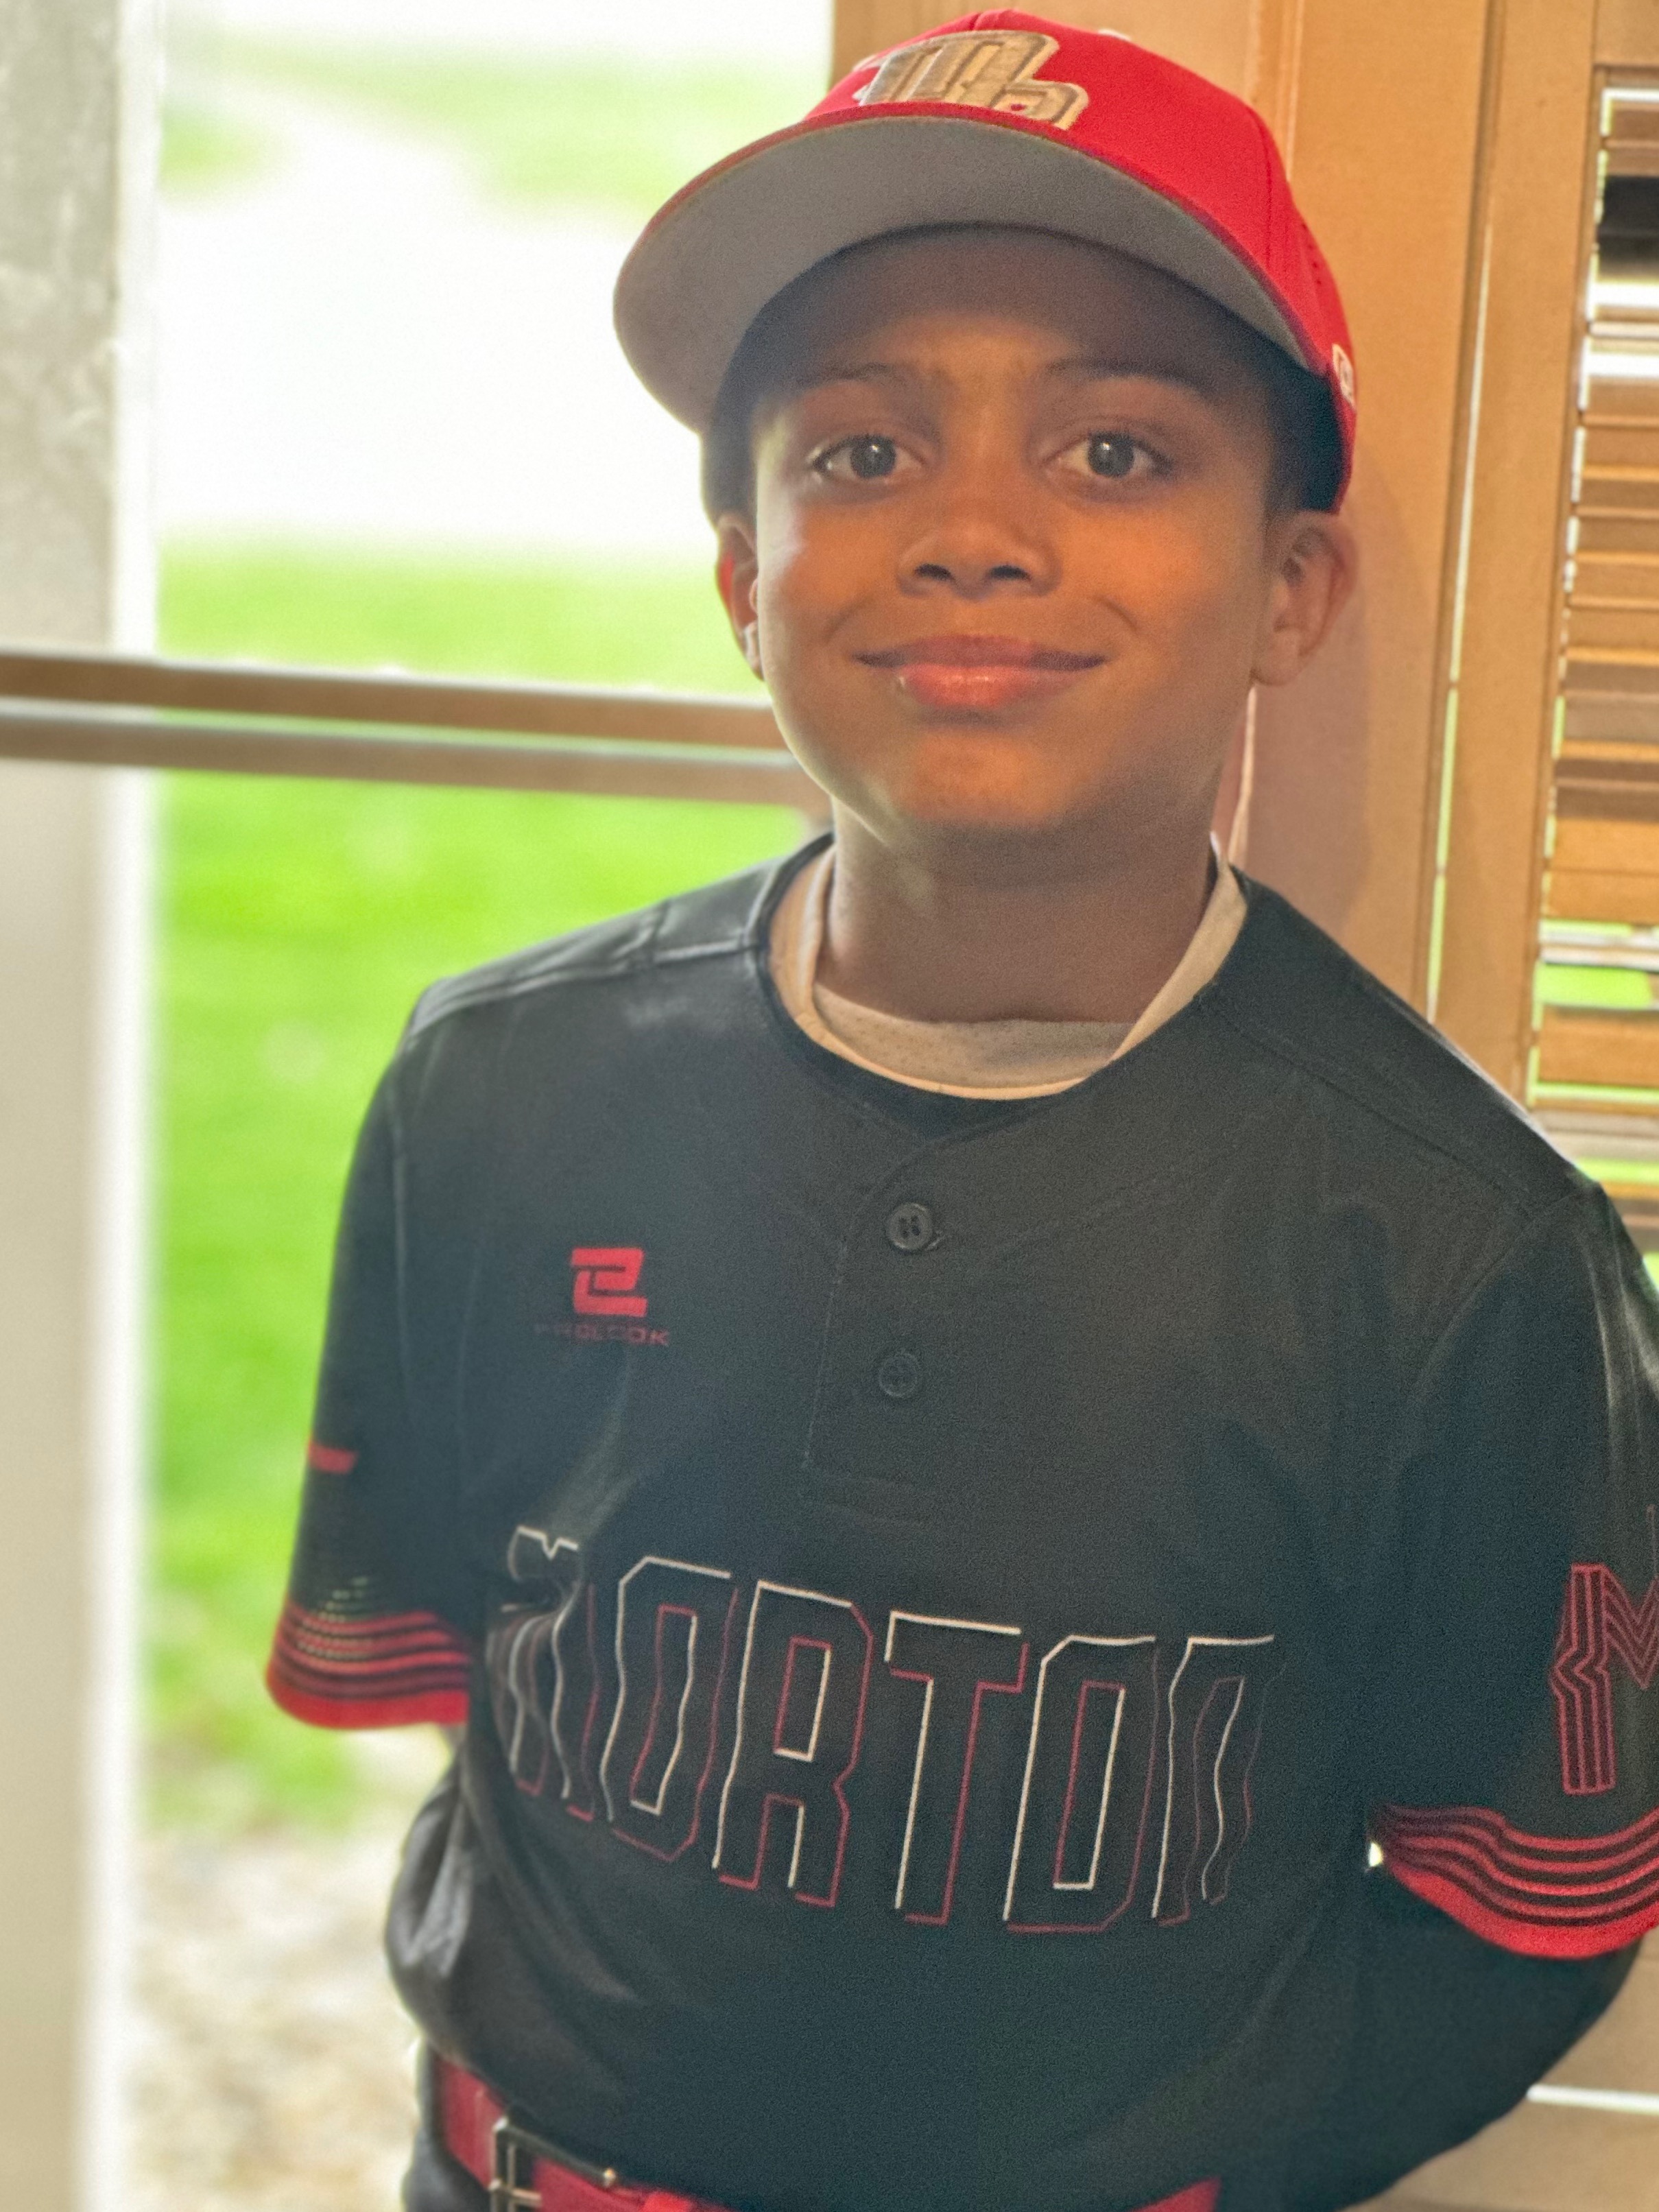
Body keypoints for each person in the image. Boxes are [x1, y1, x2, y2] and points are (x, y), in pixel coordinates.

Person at [267, 16, 1658, 2211]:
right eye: (862, 451)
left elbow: (1522, 1912)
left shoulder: (1461, 1248)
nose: (977, 536)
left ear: (1288, 584)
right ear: (744, 578)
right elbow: (470, 1676)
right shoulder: (494, 1086)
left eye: (1113, 450)